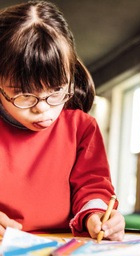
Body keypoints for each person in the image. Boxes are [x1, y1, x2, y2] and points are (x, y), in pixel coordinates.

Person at [0, 1, 125, 240]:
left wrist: (96, 215)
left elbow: (92, 185)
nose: (43, 109)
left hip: (62, 245)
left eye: (56, 91)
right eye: (24, 95)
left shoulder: (82, 127)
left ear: (71, 75)